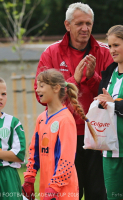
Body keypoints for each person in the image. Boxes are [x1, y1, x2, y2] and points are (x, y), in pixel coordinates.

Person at [34, 2, 114, 200]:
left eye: (89, 23)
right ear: (67, 25)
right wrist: (74, 81)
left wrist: (93, 77)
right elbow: (40, 95)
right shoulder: (51, 53)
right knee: (69, 194)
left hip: (97, 134)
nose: (85, 28)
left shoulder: (104, 52)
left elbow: (112, 96)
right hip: (63, 136)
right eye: (79, 23)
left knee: (98, 193)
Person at [22, 69, 96, 200]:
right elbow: (34, 151)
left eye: (41, 86)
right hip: (47, 189)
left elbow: (66, 160)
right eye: (37, 85)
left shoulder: (65, 119)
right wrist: (29, 178)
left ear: (56, 88)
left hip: (63, 191)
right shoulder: (41, 118)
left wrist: (54, 189)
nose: (37, 90)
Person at [95, 25, 123, 200]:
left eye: (116, 45)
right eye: (109, 46)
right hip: (110, 152)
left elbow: (115, 105)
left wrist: (114, 104)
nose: (112, 50)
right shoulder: (109, 74)